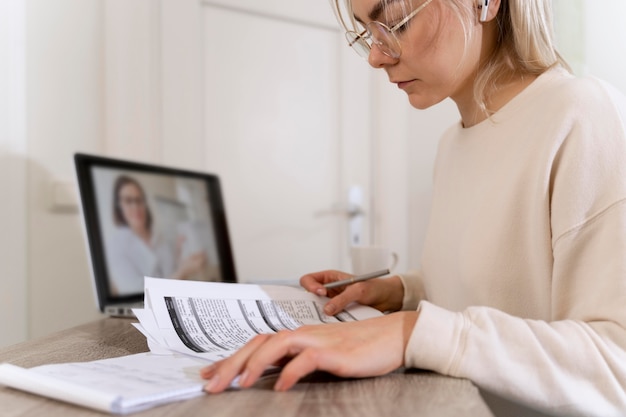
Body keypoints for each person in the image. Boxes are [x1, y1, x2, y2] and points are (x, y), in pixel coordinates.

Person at [199, 0, 626, 415]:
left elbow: (616, 367)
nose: (375, 57)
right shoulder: (451, 146)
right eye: (367, 33)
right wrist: (403, 293)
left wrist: (412, 332)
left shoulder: (584, 117)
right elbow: (497, 292)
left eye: (397, 24)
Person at [107, 175, 207, 295]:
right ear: (119, 206)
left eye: (139, 200)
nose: (136, 207)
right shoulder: (115, 246)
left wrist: (180, 259)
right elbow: (140, 294)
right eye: (128, 201)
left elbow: (171, 277)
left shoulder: (160, 236)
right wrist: (182, 272)